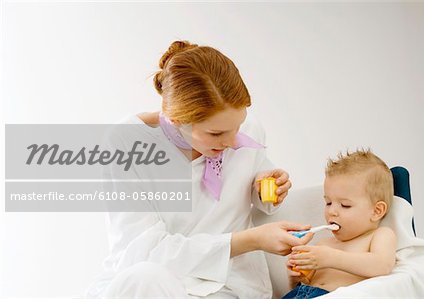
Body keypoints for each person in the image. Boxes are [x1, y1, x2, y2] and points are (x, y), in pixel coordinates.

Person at [85, 40, 313, 299]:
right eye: (215, 133)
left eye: (237, 127)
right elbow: (144, 251)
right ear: (177, 118)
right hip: (156, 284)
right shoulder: (126, 145)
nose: (231, 142)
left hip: (230, 284)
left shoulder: (246, 129)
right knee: (147, 277)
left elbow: (255, 174)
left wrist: (265, 185)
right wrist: (250, 240)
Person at [282, 149, 397, 299]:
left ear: (376, 211)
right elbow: (301, 287)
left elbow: (382, 265)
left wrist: (330, 258)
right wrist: (296, 277)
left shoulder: (379, 235)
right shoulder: (323, 245)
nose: (332, 211)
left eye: (345, 205)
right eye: (328, 203)